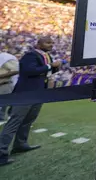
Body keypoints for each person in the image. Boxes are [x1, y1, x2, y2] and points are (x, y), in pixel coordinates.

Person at [0, 36, 62, 166]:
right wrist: (51, 65)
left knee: (28, 120)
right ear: (39, 44)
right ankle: (1, 153)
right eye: (48, 42)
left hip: (38, 93)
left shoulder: (46, 55)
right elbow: (29, 71)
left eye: (52, 43)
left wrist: (56, 67)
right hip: (26, 93)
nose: (51, 45)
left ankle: (20, 144)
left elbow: (47, 72)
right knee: (14, 122)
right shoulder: (30, 55)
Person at [0, 53, 19, 122]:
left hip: (3, 85)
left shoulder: (5, 58)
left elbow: (16, 70)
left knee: (2, 107)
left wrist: (1, 76)